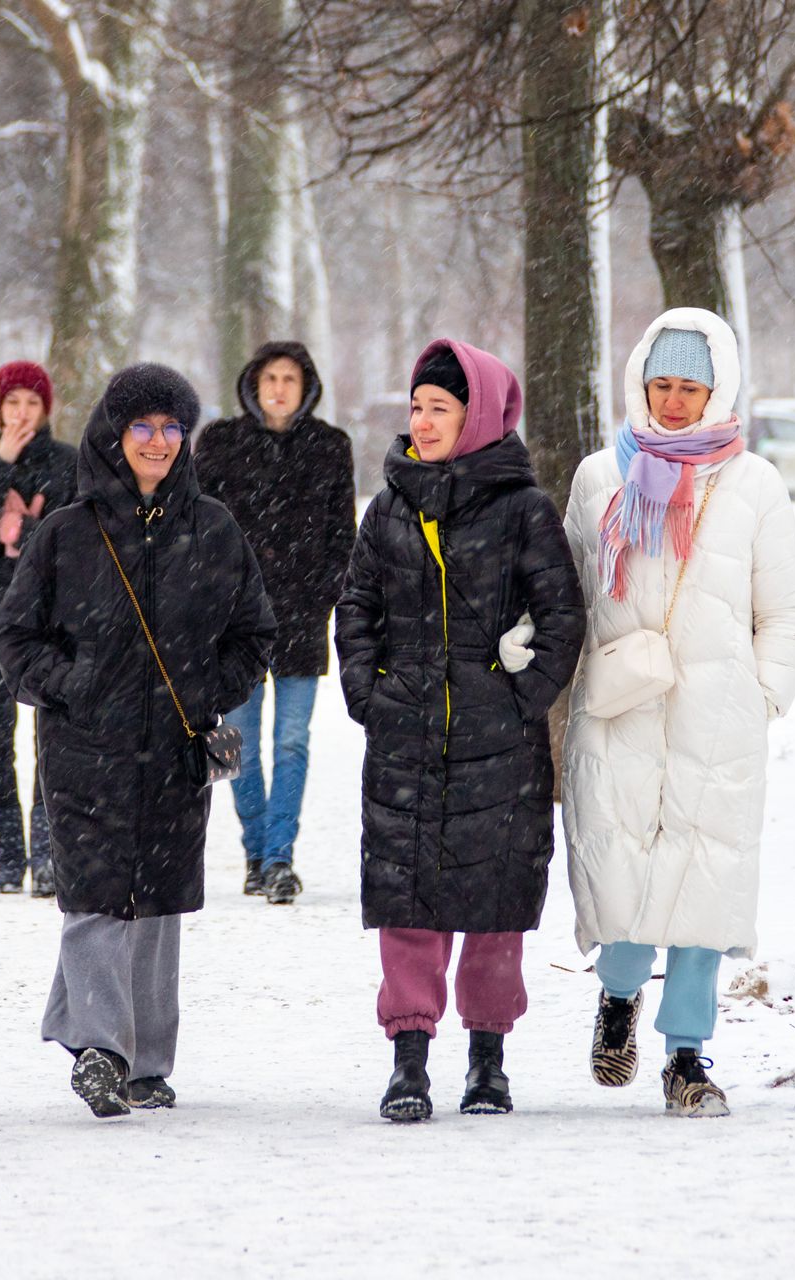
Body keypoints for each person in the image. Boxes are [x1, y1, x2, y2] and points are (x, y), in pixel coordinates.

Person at [0, 363, 276, 1118]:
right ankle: (99, 1050)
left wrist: (207, 692)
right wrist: (72, 685)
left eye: (171, 427)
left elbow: (256, 634)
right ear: (113, 436)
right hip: (84, 747)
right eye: (142, 426)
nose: (157, 441)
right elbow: (13, 637)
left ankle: (145, 1060)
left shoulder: (213, 528)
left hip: (176, 747)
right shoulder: (66, 534)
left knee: (155, 905)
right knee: (92, 899)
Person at [561, 307, 795, 1118]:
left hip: (716, 720)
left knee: (704, 892)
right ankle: (618, 995)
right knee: (626, 877)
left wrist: (762, 692)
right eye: (661, 384)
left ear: (719, 388)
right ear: (640, 381)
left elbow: (785, 609)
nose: (673, 403)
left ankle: (687, 1056)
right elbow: (570, 593)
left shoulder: (755, 484)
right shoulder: (602, 475)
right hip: (623, 711)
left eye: (689, 387)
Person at [334, 339, 585, 1122]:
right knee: (408, 908)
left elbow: (563, 618)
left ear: (475, 415)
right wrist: (368, 695)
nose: (422, 420)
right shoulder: (388, 507)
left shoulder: (524, 510)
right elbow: (355, 609)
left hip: (497, 748)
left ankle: (488, 1064)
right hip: (405, 737)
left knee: (492, 910)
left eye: (439, 408)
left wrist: (520, 700)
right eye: (416, 406)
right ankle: (409, 1063)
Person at [194, 341, 355, 904]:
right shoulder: (219, 444)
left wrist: (321, 596)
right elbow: (197, 527)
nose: (279, 388)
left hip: (301, 616)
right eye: (270, 378)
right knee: (230, 742)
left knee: (292, 741)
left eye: (290, 378)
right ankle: (254, 850)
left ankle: (280, 856)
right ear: (252, 385)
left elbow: (342, 536)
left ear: (306, 386)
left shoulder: (331, 447)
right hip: (230, 620)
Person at [0, 361, 77, 897]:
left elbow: (75, 537)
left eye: (32, 403)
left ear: (46, 408)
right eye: (12, 404)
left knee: (49, 736)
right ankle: (8, 855)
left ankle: (48, 851)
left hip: (51, 620)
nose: (22, 414)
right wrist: (1, 462)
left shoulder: (69, 463)